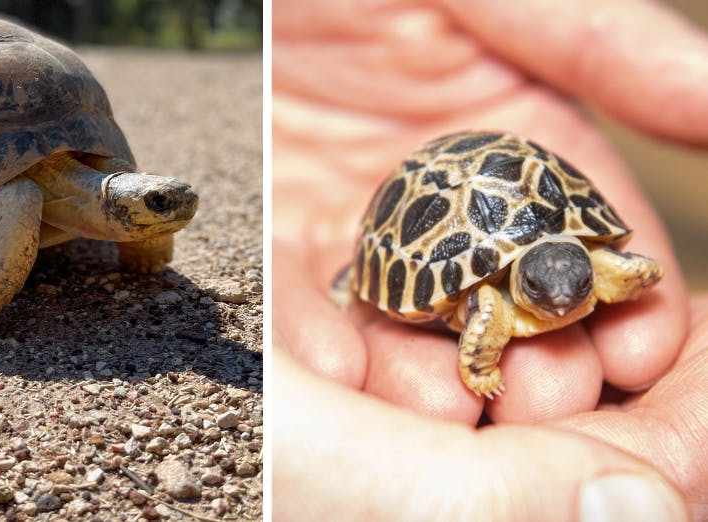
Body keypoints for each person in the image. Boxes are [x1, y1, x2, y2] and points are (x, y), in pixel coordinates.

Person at [272, 0, 708, 519]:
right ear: (521, 284)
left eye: (581, 286)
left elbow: (636, 271)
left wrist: (631, 277)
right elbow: (489, 313)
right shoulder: (493, 301)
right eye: (545, 296)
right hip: (429, 195)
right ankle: (354, 276)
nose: (564, 304)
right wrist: (481, 367)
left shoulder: (589, 267)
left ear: (587, 264)